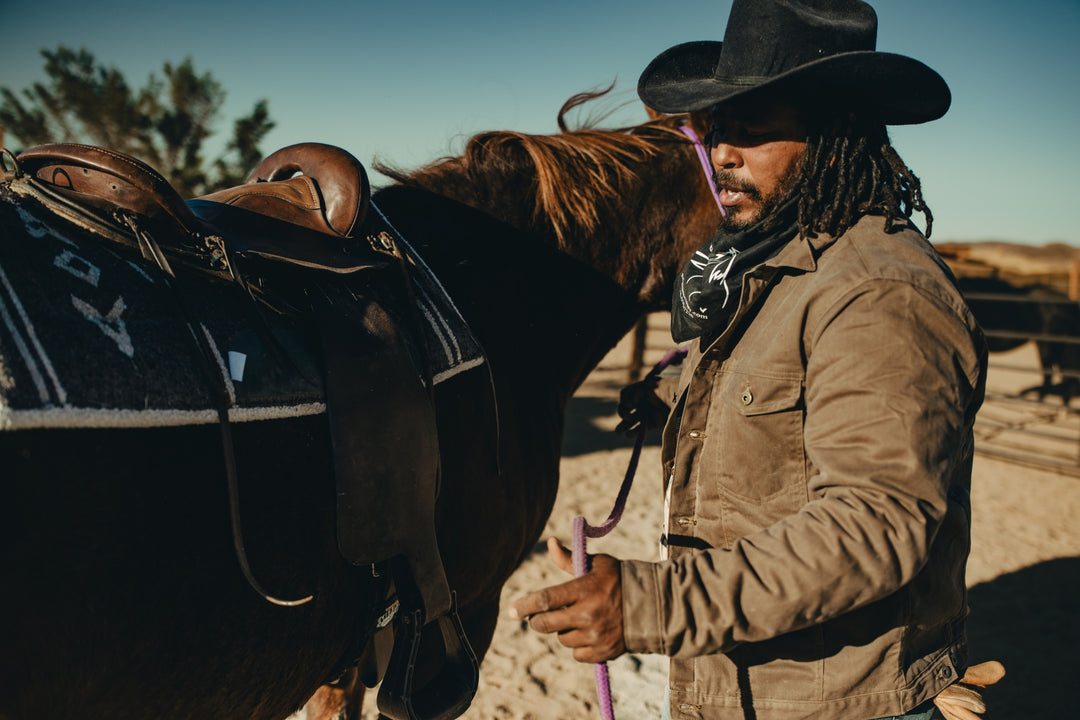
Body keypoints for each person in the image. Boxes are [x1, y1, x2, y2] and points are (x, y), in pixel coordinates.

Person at [508, 1, 1000, 718]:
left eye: (754, 127)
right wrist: (680, 391)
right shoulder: (786, 263)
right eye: (719, 130)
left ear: (834, 130)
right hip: (749, 689)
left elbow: (876, 522)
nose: (721, 152)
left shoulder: (880, 292)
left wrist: (652, 604)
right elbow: (788, 387)